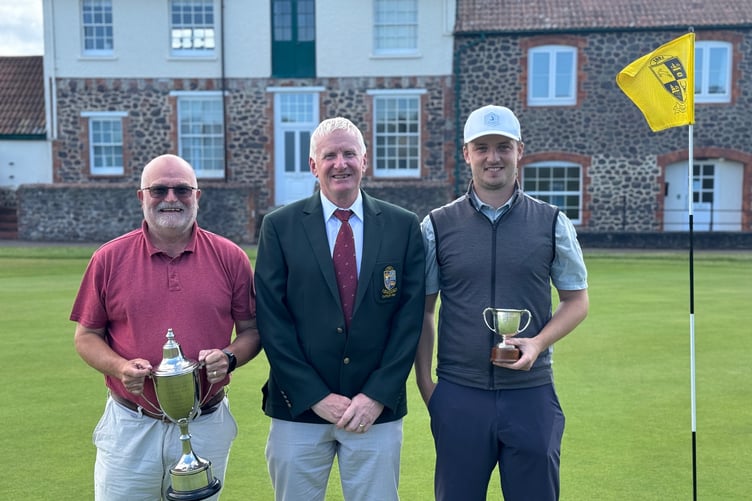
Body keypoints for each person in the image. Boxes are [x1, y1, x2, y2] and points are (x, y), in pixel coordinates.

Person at [415, 105, 589, 501]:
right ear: (466, 153)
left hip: (531, 394)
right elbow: (424, 311)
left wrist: (538, 343)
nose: (493, 157)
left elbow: (577, 301)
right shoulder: (437, 225)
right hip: (460, 393)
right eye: (482, 148)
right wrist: (429, 388)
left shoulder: (551, 221)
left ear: (519, 151)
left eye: (503, 147)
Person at [70, 154, 261, 500]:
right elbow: (86, 336)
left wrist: (229, 358)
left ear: (197, 196)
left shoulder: (231, 257)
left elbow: (252, 331)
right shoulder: (108, 259)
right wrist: (120, 367)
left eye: (182, 190)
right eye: (159, 190)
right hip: (131, 424)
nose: (171, 199)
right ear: (141, 196)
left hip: (205, 422)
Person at [254, 117, 425, 501]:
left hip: (375, 412)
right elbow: (272, 320)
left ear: (365, 160)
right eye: (329, 155)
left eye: (349, 153)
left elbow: (409, 320)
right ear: (313, 166)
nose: (340, 163)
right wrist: (315, 396)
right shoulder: (279, 227)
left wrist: (376, 395)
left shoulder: (403, 226)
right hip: (297, 409)